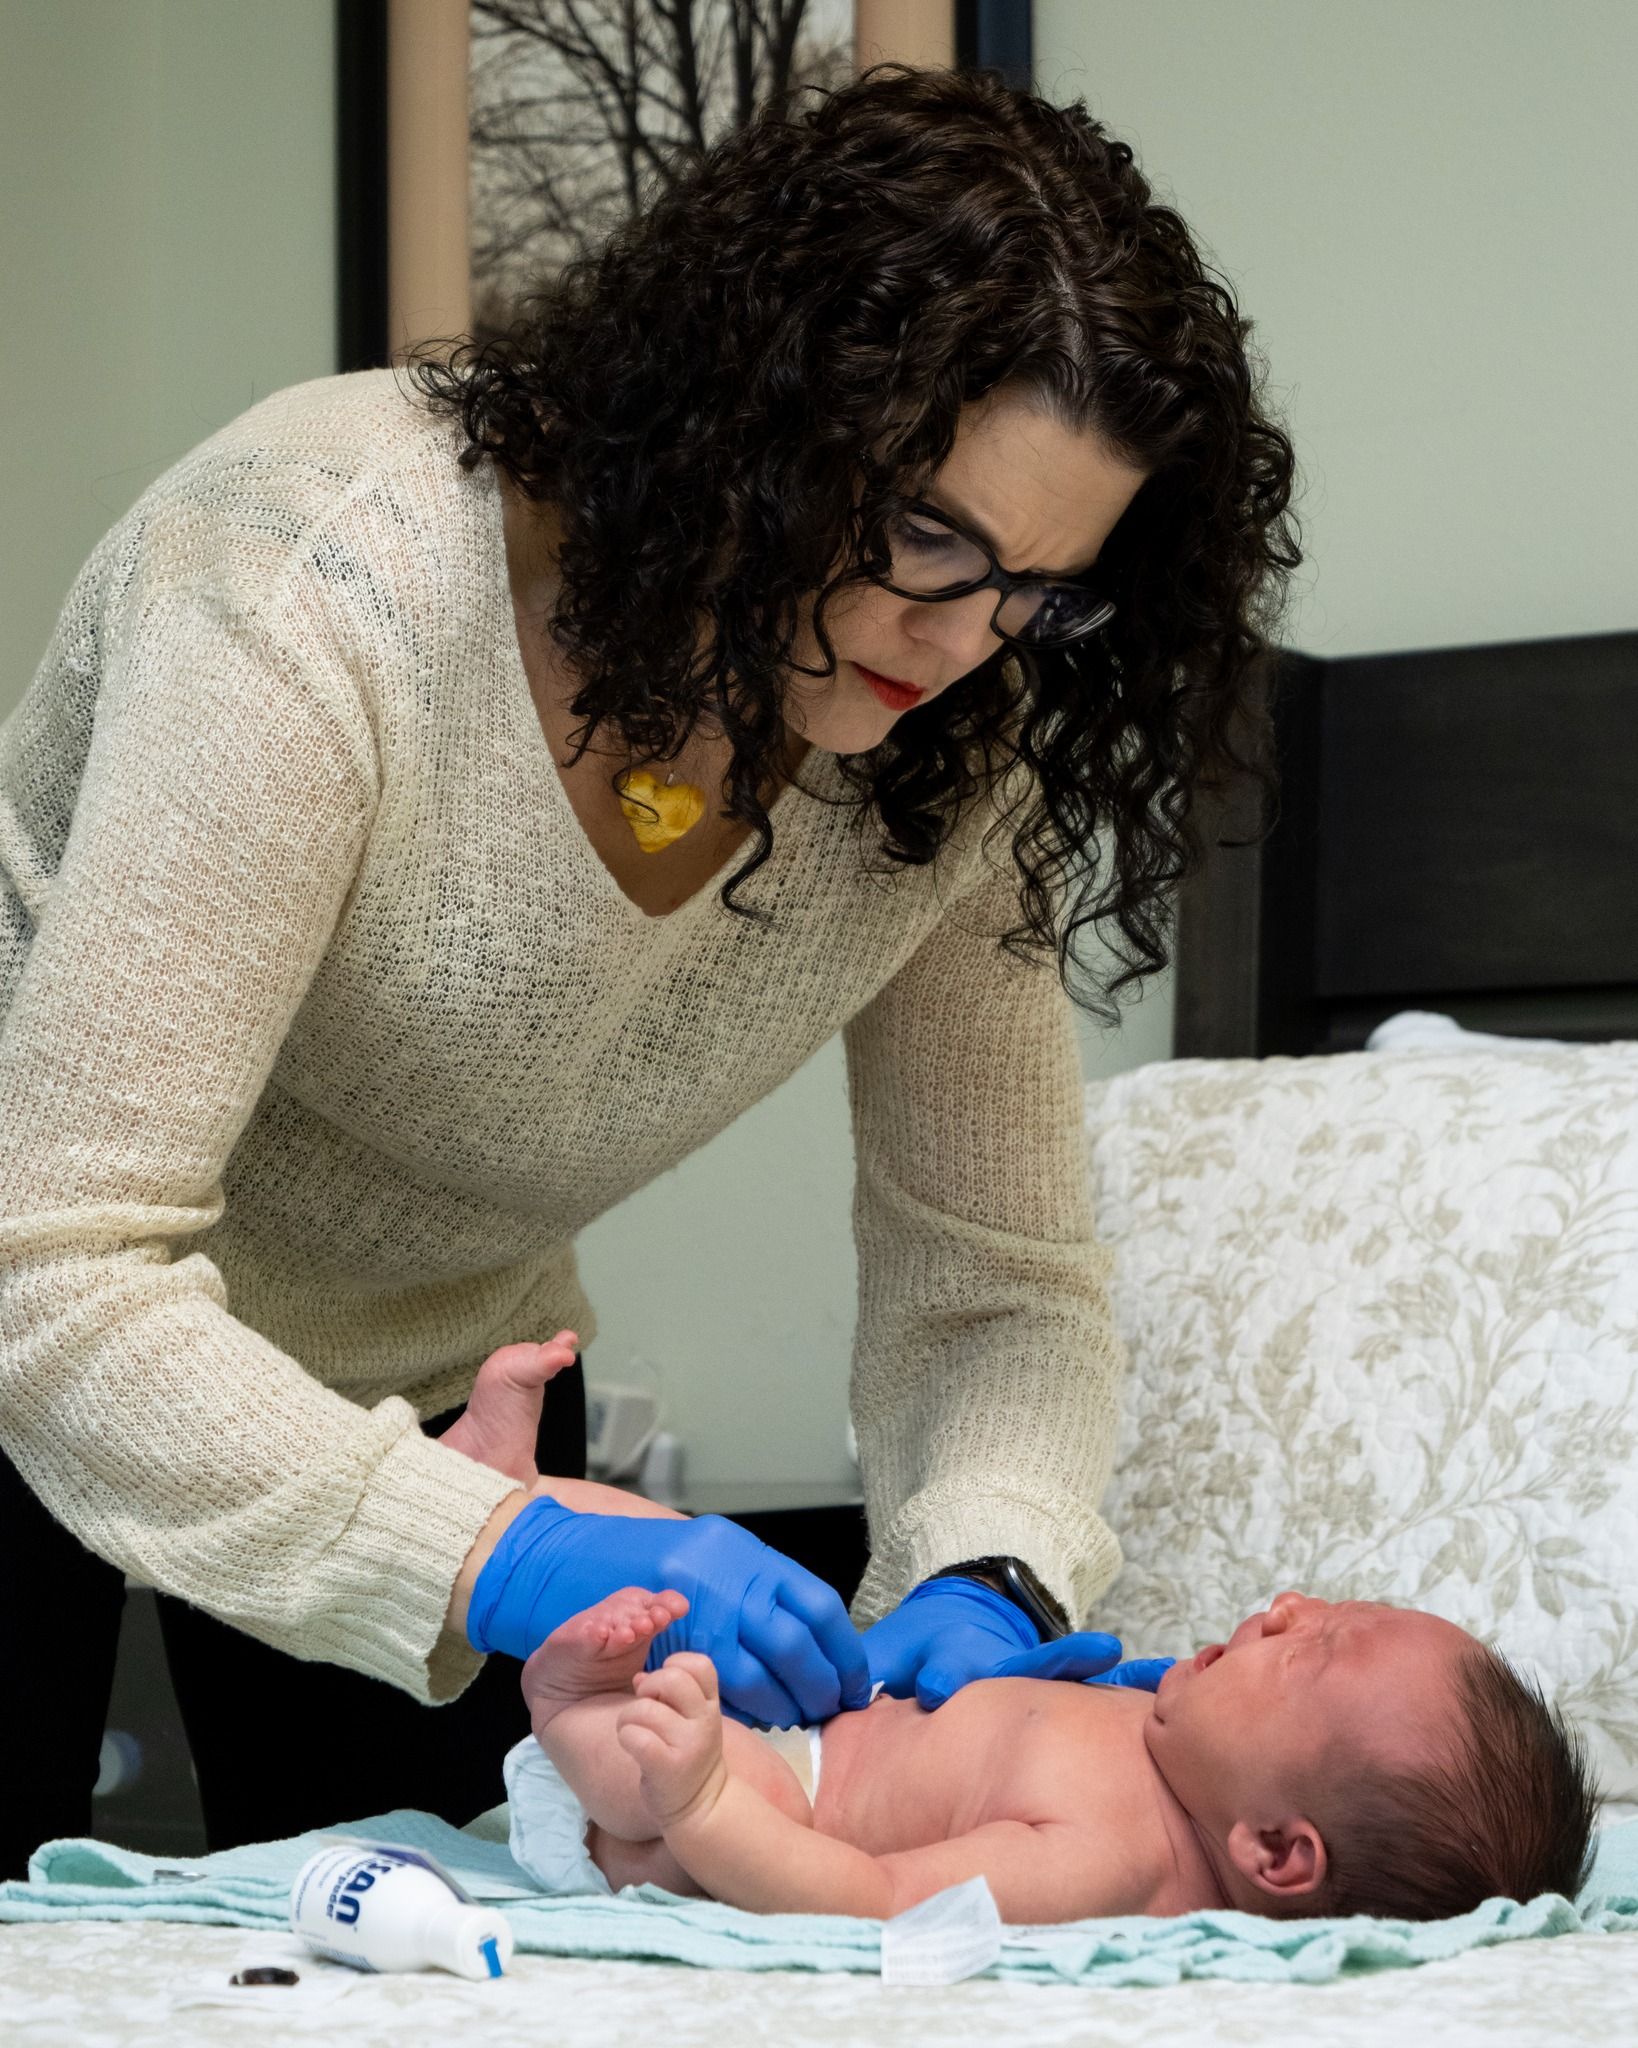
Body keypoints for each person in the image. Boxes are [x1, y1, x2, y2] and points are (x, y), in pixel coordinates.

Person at [0, 64, 1297, 1872]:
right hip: (48, 1294)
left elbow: (993, 1287)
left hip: (454, 1392)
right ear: (751, 416)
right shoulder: (318, 574)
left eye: (1039, 589)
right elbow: (53, 1268)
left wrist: (989, 1568)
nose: (962, 640)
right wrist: (506, 1550)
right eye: (927, 533)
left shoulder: (944, 748)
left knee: (469, 1949)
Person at [448, 1364, 1594, 1924]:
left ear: (1277, 1850)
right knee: (689, 1558)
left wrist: (708, 1804)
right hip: (823, 1714)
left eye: (1311, 1650)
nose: (1286, 1602)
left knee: (682, 1754)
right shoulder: (1176, 1743)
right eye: (1320, 1604)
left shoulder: (1112, 1858)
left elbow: (875, 1896)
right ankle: (505, 1492)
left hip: (770, 1812)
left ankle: (568, 1700)